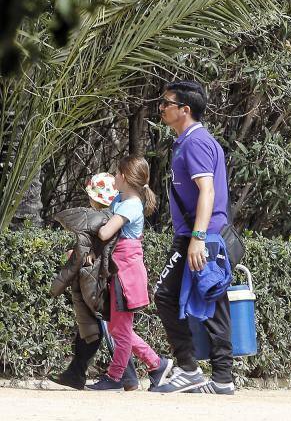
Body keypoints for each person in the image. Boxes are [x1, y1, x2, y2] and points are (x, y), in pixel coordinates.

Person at [152, 80, 235, 394]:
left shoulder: (195, 142)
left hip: (198, 235)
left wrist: (197, 238)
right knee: (212, 299)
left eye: (166, 102)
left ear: (184, 110)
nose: (161, 107)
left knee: (164, 294)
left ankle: (189, 369)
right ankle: (223, 378)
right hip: (199, 233)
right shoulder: (188, 141)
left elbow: (207, 191)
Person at [85, 157, 172, 391]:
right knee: (117, 328)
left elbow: (105, 233)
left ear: (124, 177)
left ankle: (115, 377)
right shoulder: (121, 199)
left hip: (126, 275)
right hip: (119, 270)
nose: (113, 177)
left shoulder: (131, 205)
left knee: (120, 331)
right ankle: (156, 363)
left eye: (116, 173)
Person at [48, 173, 139, 390]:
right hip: (99, 279)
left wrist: (85, 259)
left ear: (93, 198)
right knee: (96, 327)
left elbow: (103, 247)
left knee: (105, 328)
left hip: (100, 281)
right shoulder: (108, 216)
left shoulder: (102, 219)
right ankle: (77, 373)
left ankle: (127, 374)